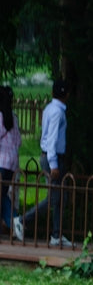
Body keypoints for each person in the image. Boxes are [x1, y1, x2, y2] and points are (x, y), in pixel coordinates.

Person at [23, 79, 71, 246]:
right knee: (54, 198)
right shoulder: (58, 112)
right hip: (53, 157)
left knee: (61, 197)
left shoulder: (49, 108)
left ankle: (57, 235)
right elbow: (52, 138)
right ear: (67, 95)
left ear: (52, 93)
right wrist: (54, 164)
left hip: (51, 155)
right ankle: (23, 220)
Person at [0, 85, 21, 241]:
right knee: (3, 194)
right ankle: (15, 222)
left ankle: (14, 222)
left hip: (1, 161)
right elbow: (19, 141)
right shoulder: (13, 117)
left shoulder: (0, 116)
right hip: (12, 163)